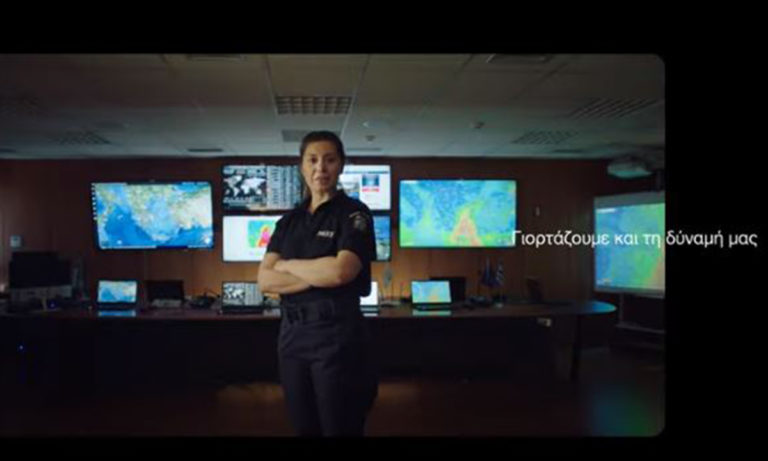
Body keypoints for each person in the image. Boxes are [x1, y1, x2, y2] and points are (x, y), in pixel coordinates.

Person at [257, 131, 379, 437]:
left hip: (337, 335)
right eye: (312, 160)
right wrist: (318, 272)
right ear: (302, 166)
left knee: (340, 428)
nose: (320, 168)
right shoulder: (289, 221)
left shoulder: (354, 214)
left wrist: (287, 265)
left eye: (329, 160)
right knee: (303, 427)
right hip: (292, 336)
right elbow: (265, 280)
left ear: (341, 165)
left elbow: (341, 272)